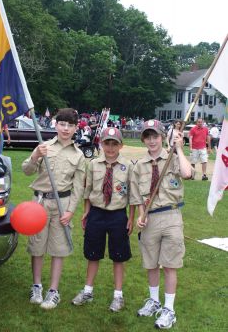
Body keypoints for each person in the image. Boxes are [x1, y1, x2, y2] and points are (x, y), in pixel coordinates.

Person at [130, 119, 193, 329]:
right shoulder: (139, 166)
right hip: (150, 218)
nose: (151, 140)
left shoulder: (172, 157)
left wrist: (179, 149)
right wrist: (141, 215)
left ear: (161, 137)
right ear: (143, 139)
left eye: (155, 136)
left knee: (169, 264)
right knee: (151, 263)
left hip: (171, 217)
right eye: (147, 136)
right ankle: (154, 301)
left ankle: (169, 309)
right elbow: (138, 195)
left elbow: (187, 173)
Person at [22, 108, 86, 310]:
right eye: (62, 124)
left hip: (63, 205)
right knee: (37, 246)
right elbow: (26, 171)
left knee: (59, 249)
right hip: (39, 204)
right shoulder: (44, 147)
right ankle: (37, 286)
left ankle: (53, 291)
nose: (66, 129)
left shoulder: (79, 155)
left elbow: (78, 187)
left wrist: (70, 211)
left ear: (76, 128)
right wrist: (34, 155)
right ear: (56, 125)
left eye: (70, 125)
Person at [72, 127, 135, 312]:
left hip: (117, 215)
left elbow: (133, 195)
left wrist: (131, 218)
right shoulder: (93, 164)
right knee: (93, 254)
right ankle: (88, 291)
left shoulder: (128, 166)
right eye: (107, 143)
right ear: (101, 143)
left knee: (118, 256)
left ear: (120, 145)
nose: (110, 147)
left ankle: (118, 296)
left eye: (114, 143)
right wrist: (86, 211)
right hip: (97, 213)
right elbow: (88, 189)